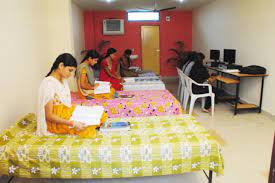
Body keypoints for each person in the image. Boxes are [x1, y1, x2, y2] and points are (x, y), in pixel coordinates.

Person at [36, 53, 106, 137]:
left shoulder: (63, 80)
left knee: (100, 114)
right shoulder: (48, 84)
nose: (70, 74)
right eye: (70, 70)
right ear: (61, 65)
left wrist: (80, 108)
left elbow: (64, 103)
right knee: (86, 127)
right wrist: (72, 123)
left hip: (66, 113)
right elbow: (49, 116)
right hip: (56, 122)